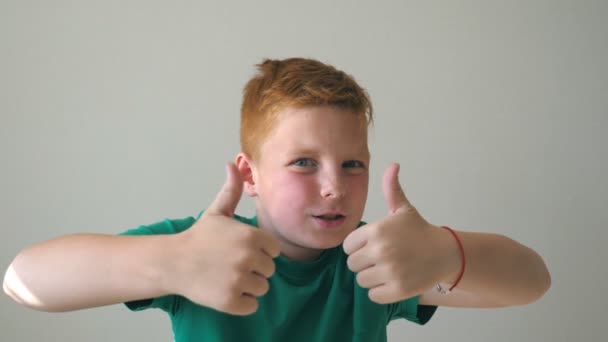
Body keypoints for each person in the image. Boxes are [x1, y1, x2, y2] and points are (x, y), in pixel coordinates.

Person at [3, 57, 551, 342]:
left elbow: (531, 281)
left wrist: (442, 254)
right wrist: (169, 261)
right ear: (251, 175)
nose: (334, 185)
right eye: (304, 163)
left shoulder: (374, 263)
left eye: (352, 164)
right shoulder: (202, 249)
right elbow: (24, 280)